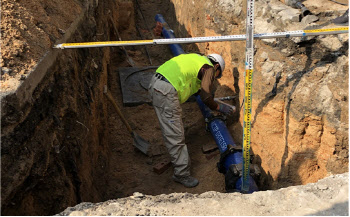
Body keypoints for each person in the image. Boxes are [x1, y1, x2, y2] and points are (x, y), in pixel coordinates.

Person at [148, 53, 234, 188]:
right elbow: (205, 96)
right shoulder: (209, 68)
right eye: (217, 75)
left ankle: (177, 160)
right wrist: (219, 107)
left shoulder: (197, 59)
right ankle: (181, 174)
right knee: (175, 135)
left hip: (156, 82)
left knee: (171, 128)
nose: (214, 77)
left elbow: (195, 87)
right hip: (166, 91)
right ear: (216, 66)